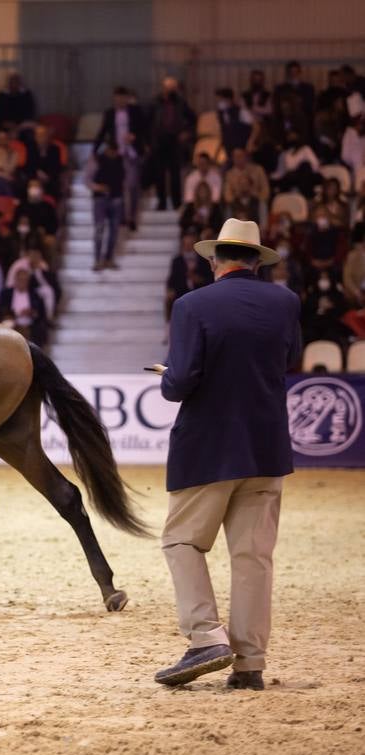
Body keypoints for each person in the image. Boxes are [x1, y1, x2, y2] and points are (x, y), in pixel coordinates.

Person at [154, 219, 299, 690]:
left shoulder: (191, 304)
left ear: (215, 259)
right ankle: (250, 664)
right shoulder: (286, 301)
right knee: (253, 556)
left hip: (208, 446)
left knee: (182, 541)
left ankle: (205, 638)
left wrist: (168, 373)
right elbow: (287, 359)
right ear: (257, 260)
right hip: (266, 445)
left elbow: (179, 385)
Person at [149, 76, 196, 211]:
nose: (172, 91)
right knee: (159, 173)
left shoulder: (181, 103)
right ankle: (161, 202)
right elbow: (148, 123)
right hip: (159, 141)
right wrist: (150, 141)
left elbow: (193, 119)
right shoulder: (155, 103)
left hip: (175, 141)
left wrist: (187, 132)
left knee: (175, 173)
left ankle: (176, 202)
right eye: (169, 88)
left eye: (174, 88)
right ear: (163, 88)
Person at [86, 140, 125, 271]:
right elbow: (87, 180)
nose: (113, 154)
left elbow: (123, 180)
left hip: (116, 198)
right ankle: (97, 260)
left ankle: (109, 259)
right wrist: (98, 187)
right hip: (100, 199)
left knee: (114, 231)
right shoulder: (97, 160)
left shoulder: (120, 161)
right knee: (99, 229)